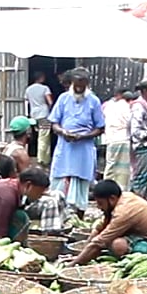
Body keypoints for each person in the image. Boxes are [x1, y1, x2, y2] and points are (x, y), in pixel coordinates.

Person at [71, 180, 147, 266]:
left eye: (100, 203)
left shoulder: (124, 211)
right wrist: (84, 249)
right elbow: (101, 228)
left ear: (112, 199)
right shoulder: (124, 197)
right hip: (145, 238)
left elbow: (100, 241)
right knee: (108, 241)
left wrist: (74, 263)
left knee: (118, 245)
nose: (99, 207)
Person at [47, 69, 105, 214]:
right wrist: (63, 132)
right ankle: (57, 214)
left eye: (82, 85)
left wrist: (83, 136)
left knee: (81, 183)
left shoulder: (94, 101)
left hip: (84, 148)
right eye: (77, 85)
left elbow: (100, 128)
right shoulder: (63, 98)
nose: (79, 88)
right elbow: (54, 123)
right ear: (71, 83)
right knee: (59, 180)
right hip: (65, 146)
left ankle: (79, 215)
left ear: (87, 84)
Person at [102, 88, 137, 188]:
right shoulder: (126, 107)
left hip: (110, 139)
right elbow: (130, 122)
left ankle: (106, 187)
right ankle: (121, 189)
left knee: (111, 165)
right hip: (122, 139)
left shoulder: (109, 106)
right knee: (123, 169)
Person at [26, 72, 53, 165]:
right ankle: (41, 159)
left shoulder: (28, 89)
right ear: (41, 78)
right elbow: (50, 102)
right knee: (44, 137)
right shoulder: (45, 88)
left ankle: (45, 158)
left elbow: (27, 102)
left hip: (34, 115)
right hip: (44, 114)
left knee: (39, 136)